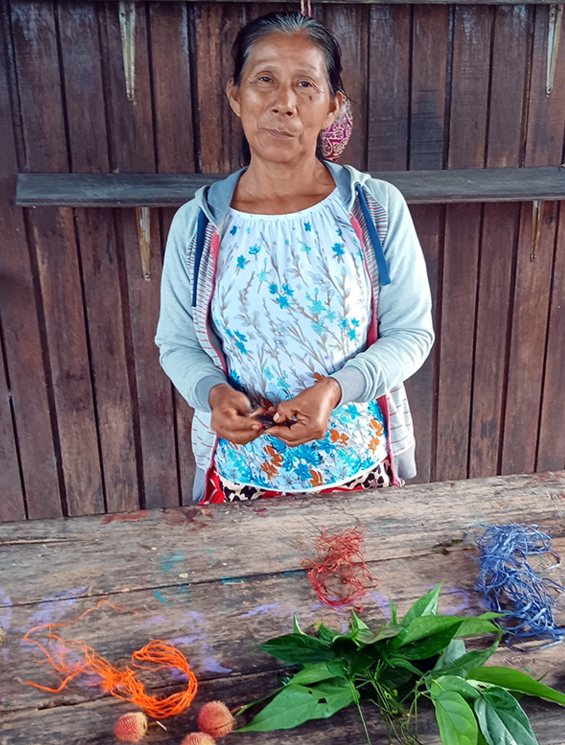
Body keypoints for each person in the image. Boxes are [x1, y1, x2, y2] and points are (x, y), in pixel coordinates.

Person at [155, 11, 433, 504]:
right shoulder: (198, 225)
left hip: (359, 471)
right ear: (236, 95)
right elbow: (177, 345)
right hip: (242, 481)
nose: (284, 103)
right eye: (265, 79)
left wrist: (334, 391)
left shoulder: (374, 209)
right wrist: (213, 394)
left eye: (305, 84)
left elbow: (411, 334)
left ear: (332, 106)